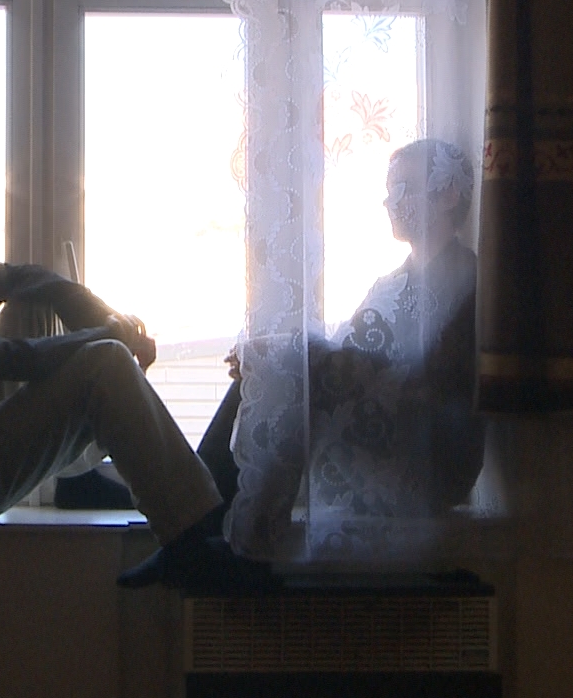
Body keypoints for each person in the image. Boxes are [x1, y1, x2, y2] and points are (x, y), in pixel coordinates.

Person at [0, 159, 262, 588]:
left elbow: (24, 279)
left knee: (34, 299)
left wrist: (102, 314)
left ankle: (81, 482)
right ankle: (189, 541)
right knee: (105, 364)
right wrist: (107, 336)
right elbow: (9, 358)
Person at [202, 138, 484, 546]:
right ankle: (205, 509)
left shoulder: (465, 283)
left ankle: (203, 512)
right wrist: (270, 360)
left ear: (448, 194)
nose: (389, 202)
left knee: (283, 363)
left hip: (424, 456)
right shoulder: (390, 285)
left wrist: (291, 360)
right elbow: (350, 350)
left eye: (401, 188)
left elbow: (426, 378)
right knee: (270, 369)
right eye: (389, 190)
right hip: (384, 436)